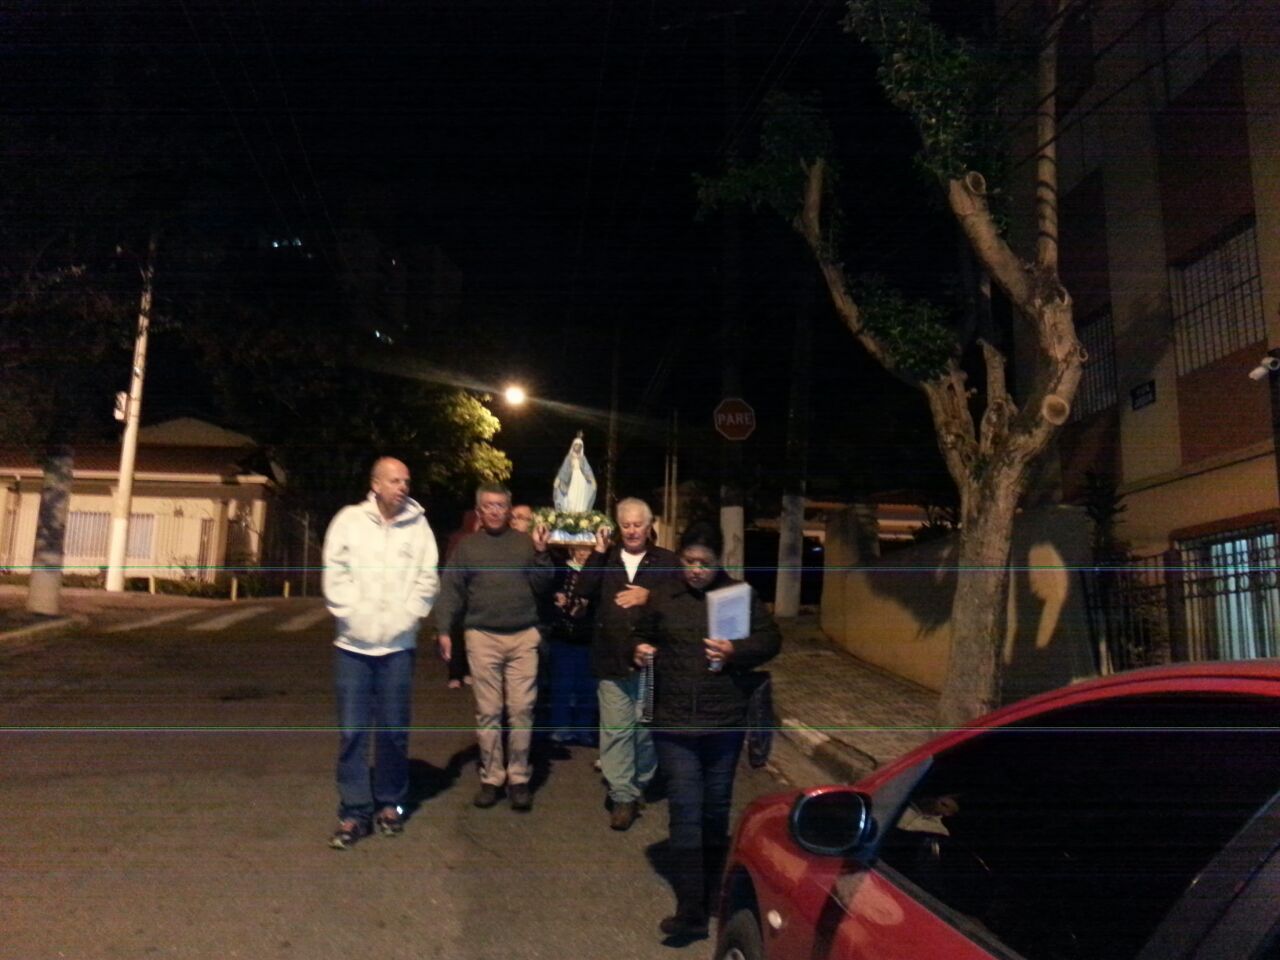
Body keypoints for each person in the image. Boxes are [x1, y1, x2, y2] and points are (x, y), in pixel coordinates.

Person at [632, 520, 781, 938]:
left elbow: (771, 641)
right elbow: (640, 635)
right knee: (685, 810)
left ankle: (715, 891)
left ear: (719, 561)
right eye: (689, 561)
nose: (696, 570)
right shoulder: (664, 595)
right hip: (674, 722)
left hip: (724, 721)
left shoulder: (738, 595)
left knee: (715, 809)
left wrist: (737, 649)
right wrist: (638, 649)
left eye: (705, 563)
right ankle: (691, 909)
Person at [321, 456, 439, 850]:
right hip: (352, 648)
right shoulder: (349, 521)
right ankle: (354, 811)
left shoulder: (418, 527)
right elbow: (334, 572)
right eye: (394, 481)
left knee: (393, 731)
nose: (402, 487)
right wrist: (353, 615)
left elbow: (427, 578)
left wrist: (408, 617)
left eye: (406, 481)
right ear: (375, 485)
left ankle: (391, 803)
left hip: (398, 648)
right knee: (353, 732)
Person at [434, 483, 554, 811]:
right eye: (488, 505)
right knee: (488, 711)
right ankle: (491, 777)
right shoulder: (468, 548)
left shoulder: (526, 543)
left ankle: (518, 777)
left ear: (509, 509)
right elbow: (450, 590)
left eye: (501, 505)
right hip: (482, 637)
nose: (495, 511)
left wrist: (542, 553)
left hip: (523, 636)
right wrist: (443, 629)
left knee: (521, 710)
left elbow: (544, 586)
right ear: (479, 510)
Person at [577, 497, 677, 831]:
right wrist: (597, 552)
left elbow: (683, 602)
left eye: (638, 524)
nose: (632, 531)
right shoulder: (606, 559)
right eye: (626, 525)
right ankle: (622, 795)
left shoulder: (667, 562)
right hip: (611, 659)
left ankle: (640, 782)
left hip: (651, 663)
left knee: (644, 730)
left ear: (650, 527)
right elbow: (583, 589)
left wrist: (649, 597)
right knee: (616, 730)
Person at [546, 544, 599, 745]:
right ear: (572, 551)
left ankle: (583, 728)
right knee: (562, 685)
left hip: (589, 636)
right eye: (580, 549)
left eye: (588, 550)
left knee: (587, 687)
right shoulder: (562, 570)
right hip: (563, 634)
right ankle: (561, 726)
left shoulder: (597, 572)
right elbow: (548, 590)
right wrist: (556, 598)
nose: (584, 554)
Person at [443, 510, 480, 690]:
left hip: (476, 596)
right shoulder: (459, 539)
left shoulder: (485, 540)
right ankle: (455, 674)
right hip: (460, 595)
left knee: (472, 636)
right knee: (457, 636)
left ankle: (468, 671)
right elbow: (450, 565)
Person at [553, 432, 596, 514]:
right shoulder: (569, 458)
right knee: (571, 496)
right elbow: (564, 470)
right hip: (572, 479)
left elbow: (588, 470)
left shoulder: (583, 458)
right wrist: (558, 479)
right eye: (576, 445)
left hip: (581, 480)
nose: (578, 447)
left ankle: (579, 514)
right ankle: (570, 513)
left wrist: (592, 480)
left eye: (580, 446)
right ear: (573, 446)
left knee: (580, 497)